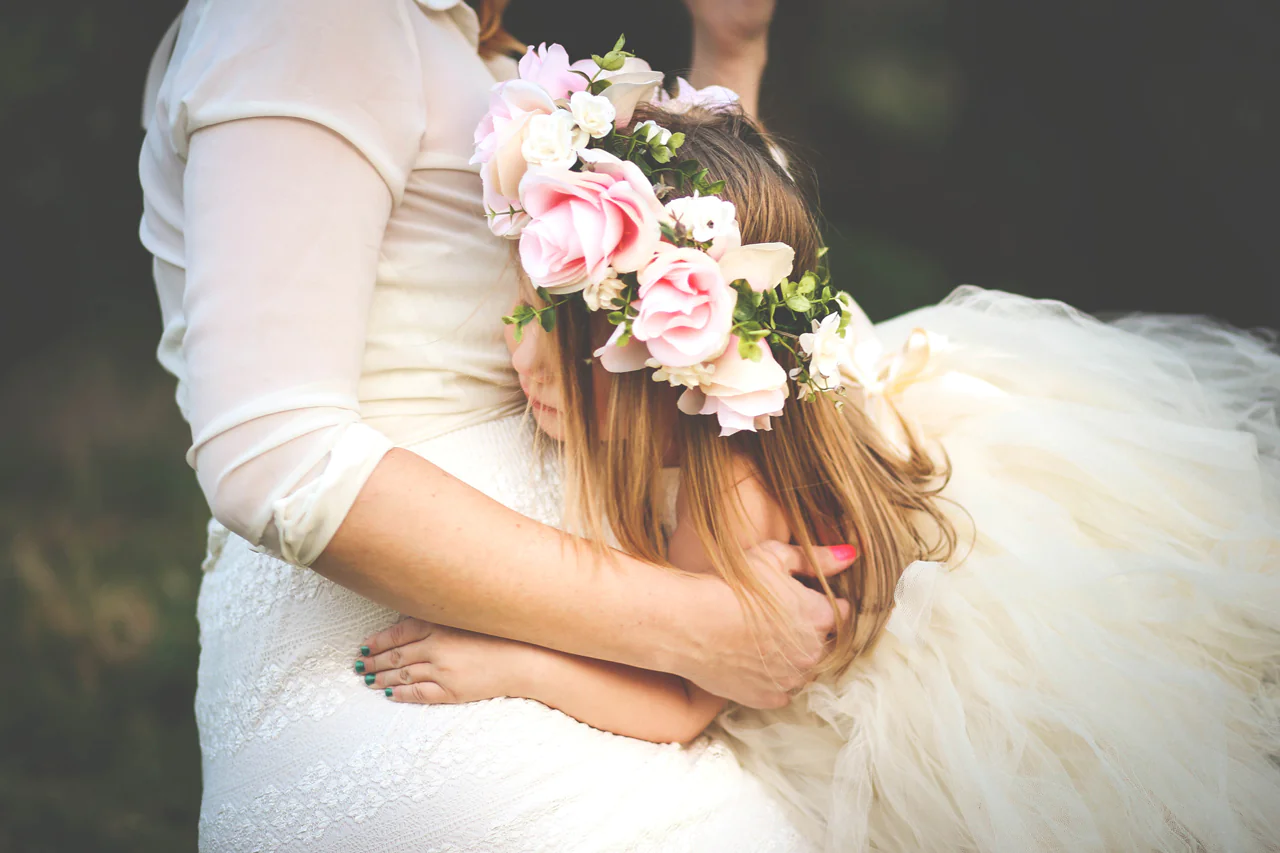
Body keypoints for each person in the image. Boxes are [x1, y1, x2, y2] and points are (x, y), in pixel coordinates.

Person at [362, 90, 1280, 852]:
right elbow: (742, 183)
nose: (516, 362)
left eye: (550, 341)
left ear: (659, 362)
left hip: (918, 705)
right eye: (519, 316)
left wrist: (512, 663)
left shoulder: (730, 499)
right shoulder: (713, 423)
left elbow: (683, 704)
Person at [138, 1, 850, 850]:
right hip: (403, 678)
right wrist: (702, 623)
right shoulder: (312, 19)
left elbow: (718, 242)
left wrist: (731, 52)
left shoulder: (465, 48)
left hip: (585, 668)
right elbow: (277, 459)